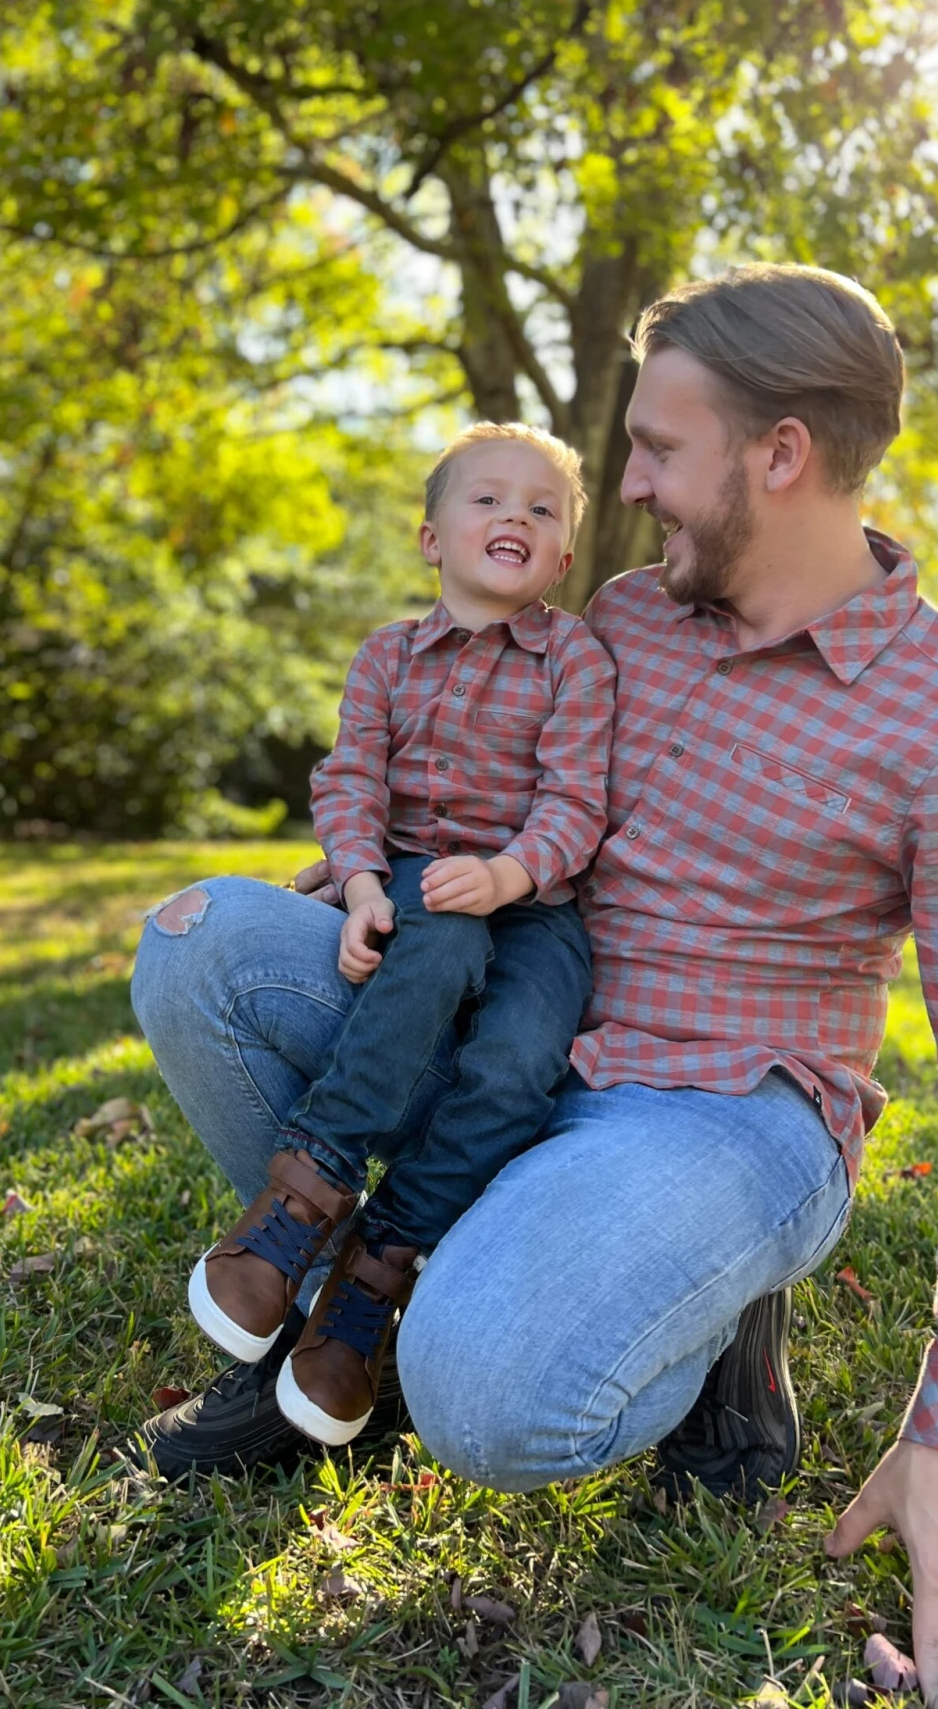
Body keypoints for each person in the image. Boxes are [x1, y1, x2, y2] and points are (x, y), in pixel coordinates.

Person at [130, 264, 938, 1709]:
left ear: (780, 456)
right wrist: (360, 877)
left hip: (722, 1115)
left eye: (657, 448)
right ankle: (352, 1324)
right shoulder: (627, 624)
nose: (627, 484)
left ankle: (700, 1335)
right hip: (518, 1030)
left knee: (490, 1393)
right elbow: (473, 773)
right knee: (199, 948)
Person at [186, 424, 610, 1445]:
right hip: (415, 874)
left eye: (542, 509)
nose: (515, 516)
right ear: (432, 536)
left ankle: (379, 1263)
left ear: (560, 558)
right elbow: (351, 777)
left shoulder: (576, 658)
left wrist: (511, 869)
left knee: (518, 1059)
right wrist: (366, 879)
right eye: (488, 500)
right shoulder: (388, 654)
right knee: (440, 945)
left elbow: (576, 797)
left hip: (540, 899)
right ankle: (304, 1190)